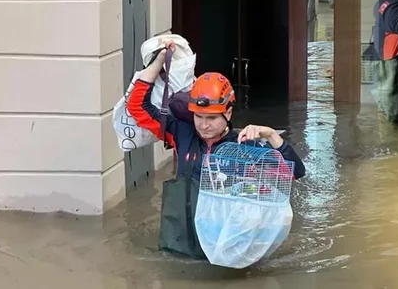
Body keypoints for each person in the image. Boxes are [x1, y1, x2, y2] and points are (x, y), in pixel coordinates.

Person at [127, 40, 306, 259]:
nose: (203, 125)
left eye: (212, 118)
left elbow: (295, 173)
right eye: (198, 116)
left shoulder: (245, 145)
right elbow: (137, 107)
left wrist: (271, 135)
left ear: (228, 113)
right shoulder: (182, 134)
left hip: (227, 249)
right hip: (182, 243)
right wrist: (160, 59)